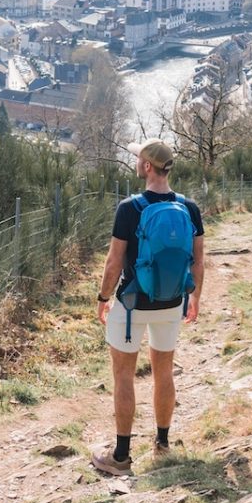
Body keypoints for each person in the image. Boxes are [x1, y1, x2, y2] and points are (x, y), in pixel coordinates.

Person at [92, 139, 205, 476]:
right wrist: (195, 297)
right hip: (171, 303)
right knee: (164, 371)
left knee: (124, 375)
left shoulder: (130, 208)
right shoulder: (189, 207)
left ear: (146, 166)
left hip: (131, 304)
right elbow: (198, 261)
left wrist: (102, 297)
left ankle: (122, 457)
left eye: (139, 159)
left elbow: (114, 262)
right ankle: (162, 445)